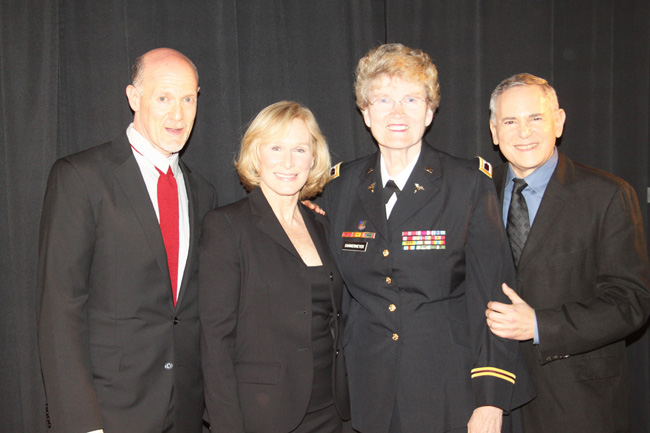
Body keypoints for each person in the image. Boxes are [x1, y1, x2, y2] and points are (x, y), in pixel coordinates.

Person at [317, 43, 534, 433]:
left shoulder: (467, 183)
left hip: (449, 388)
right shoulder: (340, 187)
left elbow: (494, 297)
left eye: (411, 99)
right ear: (365, 113)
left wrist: (490, 399)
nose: (396, 112)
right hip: (367, 387)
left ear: (430, 110)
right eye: (382, 99)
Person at [37, 48, 217, 433]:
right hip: (109, 414)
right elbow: (59, 309)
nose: (178, 114)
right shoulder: (81, 177)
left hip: (186, 410)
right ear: (134, 98)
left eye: (188, 99)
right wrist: (79, 422)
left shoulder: (203, 191)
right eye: (164, 98)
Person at [485, 73, 650, 432]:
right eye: (510, 121)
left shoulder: (607, 195)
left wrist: (540, 325)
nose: (523, 132)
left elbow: (631, 301)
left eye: (536, 118)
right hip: (493, 401)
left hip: (577, 404)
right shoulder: (476, 194)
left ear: (558, 122)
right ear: (495, 132)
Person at [199, 101, 350, 433]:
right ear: (256, 154)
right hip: (263, 416)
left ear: (314, 158)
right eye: (276, 147)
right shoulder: (226, 226)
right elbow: (215, 341)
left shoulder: (322, 225)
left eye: (299, 149)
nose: (288, 161)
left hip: (332, 411)